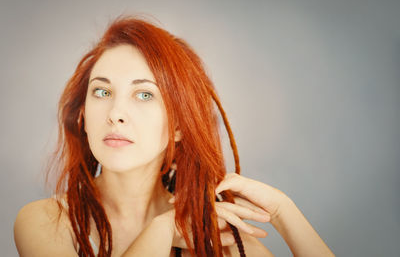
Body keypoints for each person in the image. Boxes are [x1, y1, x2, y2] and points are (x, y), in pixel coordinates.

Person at [13, 16, 334, 257]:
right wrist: (164, 229)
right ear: (82, 116)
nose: (115, 112)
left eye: (144, 95)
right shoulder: (46, 221)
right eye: (101, 91)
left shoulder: (210, 229)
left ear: (179, 125)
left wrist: (282, 211)